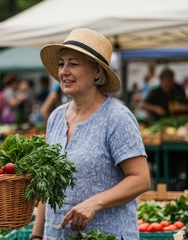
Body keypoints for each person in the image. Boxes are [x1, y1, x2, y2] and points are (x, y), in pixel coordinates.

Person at [31, 28, 150, 239]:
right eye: (61, 64)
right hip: (56, 234)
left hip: (106, 234)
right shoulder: (56, 118)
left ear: (97, 72)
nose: (64, 71)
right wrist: (37, 235)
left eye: (73, 64)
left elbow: (141, 179)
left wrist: (95, 202)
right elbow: (46, 185)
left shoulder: (117, 117)